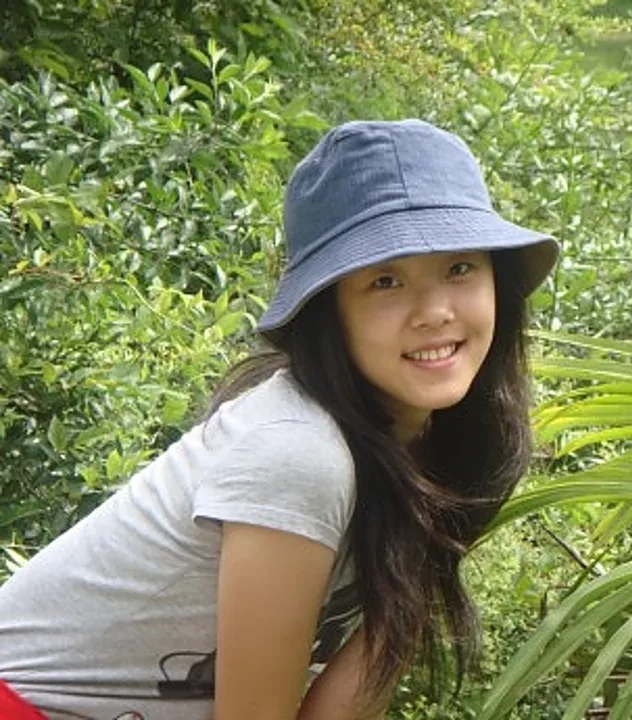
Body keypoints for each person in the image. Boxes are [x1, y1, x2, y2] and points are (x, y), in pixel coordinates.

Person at [0, 119, 558, 720]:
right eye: (386, 280)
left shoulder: (440, 449)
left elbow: (352, 686)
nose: (435, 311)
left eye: (460, 268)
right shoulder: (298, 453)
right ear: (328, 312)